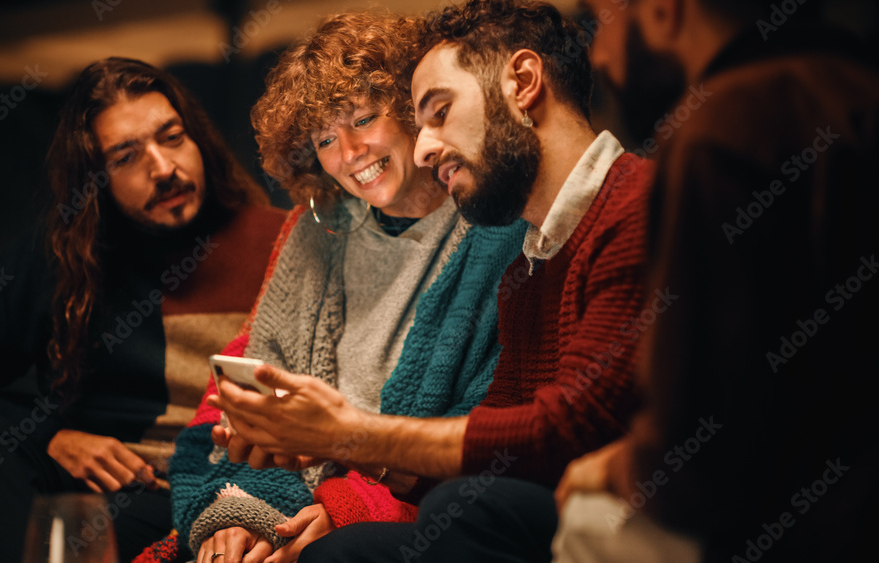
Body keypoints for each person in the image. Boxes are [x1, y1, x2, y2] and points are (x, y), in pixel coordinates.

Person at [208, 1, 656, 561]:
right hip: (536, 509)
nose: (423, 148)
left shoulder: (641, 205)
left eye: (438, 113)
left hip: (665, 512)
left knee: (460, 509)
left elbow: (564, 429)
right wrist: (321, 442)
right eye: (325, 140)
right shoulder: (533, 263)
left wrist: (350, 435)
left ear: (522, 83)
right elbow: (495, 440)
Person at [148, 12, 529, 563]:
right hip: (288, 510)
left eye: (364, 118)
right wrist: (237, 519)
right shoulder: (315, 230)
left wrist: (349, 506)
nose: (349, 153)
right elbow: (237, 412)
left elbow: (492, 423)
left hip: (399, 519)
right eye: (326, 138)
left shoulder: (494, 225)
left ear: (410, 109)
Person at [0, 57, 287, 562]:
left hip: (208, 489)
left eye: (172, 137)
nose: (163, 168)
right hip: (85, 484)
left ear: (198, 139)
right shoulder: (62, 257)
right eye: (126, 157)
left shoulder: (280, 240)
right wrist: (54, 438)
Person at [553, 1, 879, 561]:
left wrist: (617, 465)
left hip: (806, 525)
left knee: (585, 522)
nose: (598, 57)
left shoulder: (722, 128)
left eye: (596, 26)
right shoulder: (856, 85)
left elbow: (699, 444)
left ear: (662, 11)